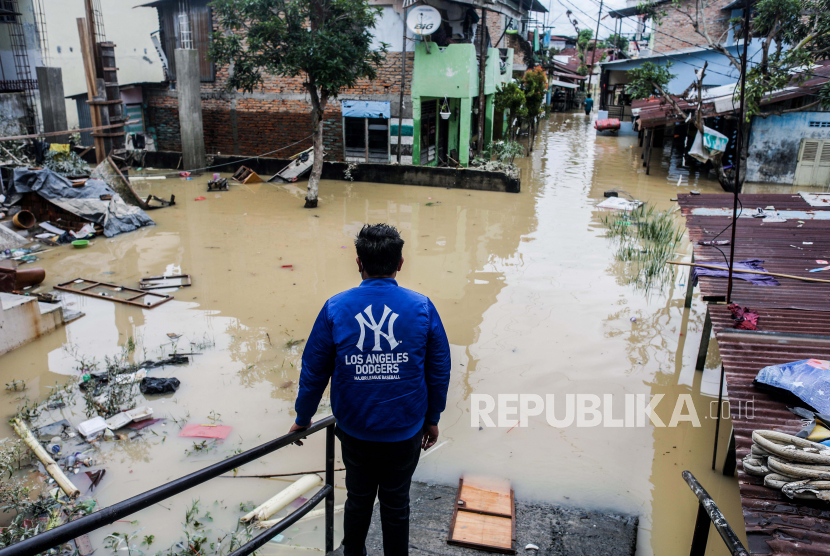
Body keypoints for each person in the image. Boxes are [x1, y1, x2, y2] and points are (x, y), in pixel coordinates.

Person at [290, 223, 452, 556]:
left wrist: (303, 418)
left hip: (355, 430)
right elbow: (439, 370)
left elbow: (314, 370)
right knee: (396, 505)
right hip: (405, 430)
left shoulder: (335, 307)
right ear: (401, 263)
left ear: (358, 262)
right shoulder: (422, 307)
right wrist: (432, 417)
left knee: (358, 499)